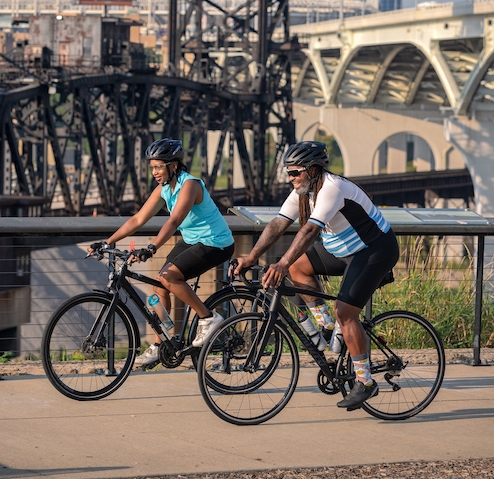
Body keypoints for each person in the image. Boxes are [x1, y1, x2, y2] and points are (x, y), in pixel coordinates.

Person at [233, 140, 399, 411]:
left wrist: (282, 264)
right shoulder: (304, 191)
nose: (291, 179)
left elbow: (309, 231)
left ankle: (365, 381)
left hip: (374, 251)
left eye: (295, 172)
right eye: (288, 173)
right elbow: (278, 223)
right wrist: (252, 257)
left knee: (345, 312)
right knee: (299, 268)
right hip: (342, 250)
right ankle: (327, 328)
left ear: (312, 169)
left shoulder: (331, 188)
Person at [88, 138, 234, 366]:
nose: (154, 172)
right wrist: (107, 241)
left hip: (216, 242)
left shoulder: (191, 185)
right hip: (192, 240)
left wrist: (152, 247)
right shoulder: (165, 189)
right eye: (152, 167)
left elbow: (175, 220)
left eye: (158, 166)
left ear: (173, 165)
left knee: (170, 277)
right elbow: (137, 219)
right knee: (158, 286)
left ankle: (209, 317)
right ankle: (161, 343)